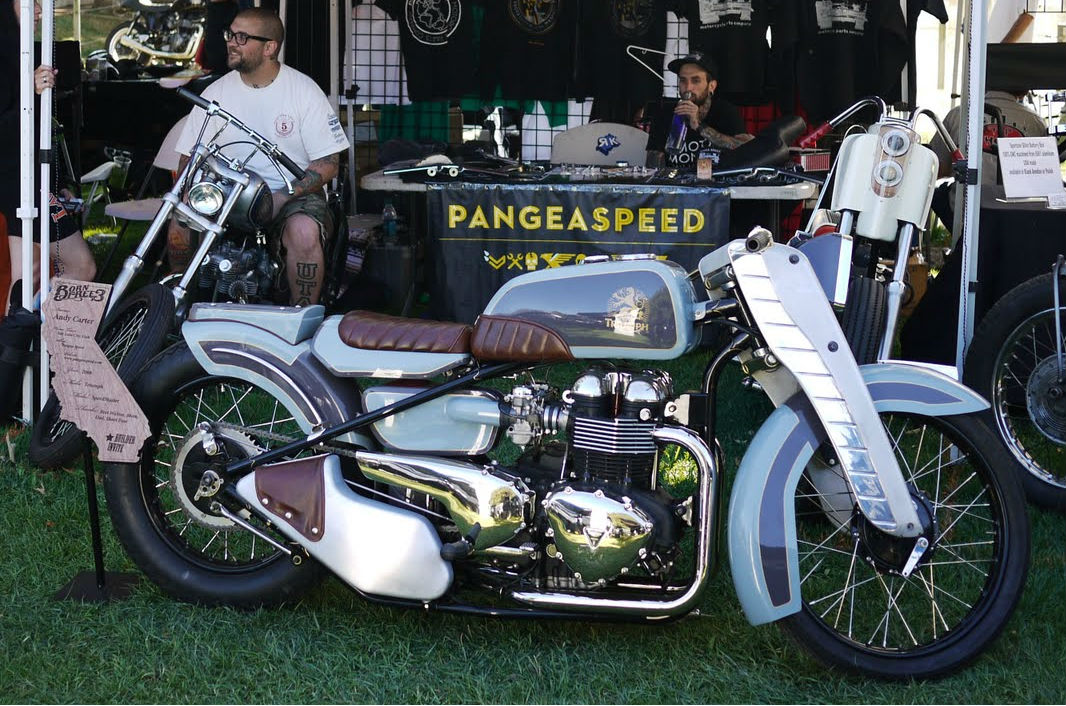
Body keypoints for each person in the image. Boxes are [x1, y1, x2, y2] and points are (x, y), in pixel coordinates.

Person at [169, 7, 349, 306]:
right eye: (230, 34)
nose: (231, 42)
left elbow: (329, 164)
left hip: (289, 192)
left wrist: (282, 196)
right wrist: (189, 191)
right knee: (181, 223)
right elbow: (189, 155)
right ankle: (177, 307)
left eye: (242, 37)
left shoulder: (304, 91)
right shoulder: (216, 92)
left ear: (269, 48)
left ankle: (302, 316)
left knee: (304, 232)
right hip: (227, 192)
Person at [0, 0, 96, 307]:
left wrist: (57, 181)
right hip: (15, 181)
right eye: (31, 2)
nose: (40, 10)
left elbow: (40, 132)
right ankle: (35, 336)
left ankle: (38, 333)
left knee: (49, 270)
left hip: (32, 178)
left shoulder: (21, 48)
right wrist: (29, 91)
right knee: (55, 269)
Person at [928, 89, 1047, 240]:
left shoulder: (959, 113)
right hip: (1018, 216)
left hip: (967, 213)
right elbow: (1042, 177)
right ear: (1023, 91)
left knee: (938, 193)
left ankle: (960, 244)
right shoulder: (1036, 121)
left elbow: (937, 167)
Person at [645, 51, 754, 169]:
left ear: (711, 86)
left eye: (695, 80)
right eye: (683, 80)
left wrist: (699, 126)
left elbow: (746, 149)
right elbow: (652, 164)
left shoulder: (725, 111)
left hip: (717, 178)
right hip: (676, 179)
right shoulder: (665, 113)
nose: (688, 88)